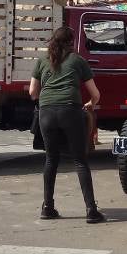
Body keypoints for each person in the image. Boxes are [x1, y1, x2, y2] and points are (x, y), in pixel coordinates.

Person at [28, 26, 105, 223]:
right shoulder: (77, 60)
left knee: (51, 160)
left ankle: (47, 207)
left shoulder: (42, 61)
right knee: (80, 160)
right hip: (70, 110)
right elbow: (95, 94)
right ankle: (91, 210)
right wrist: (90, 104)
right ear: (71, 42)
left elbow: (32, 93)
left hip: (46, 112)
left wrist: (47, 99)